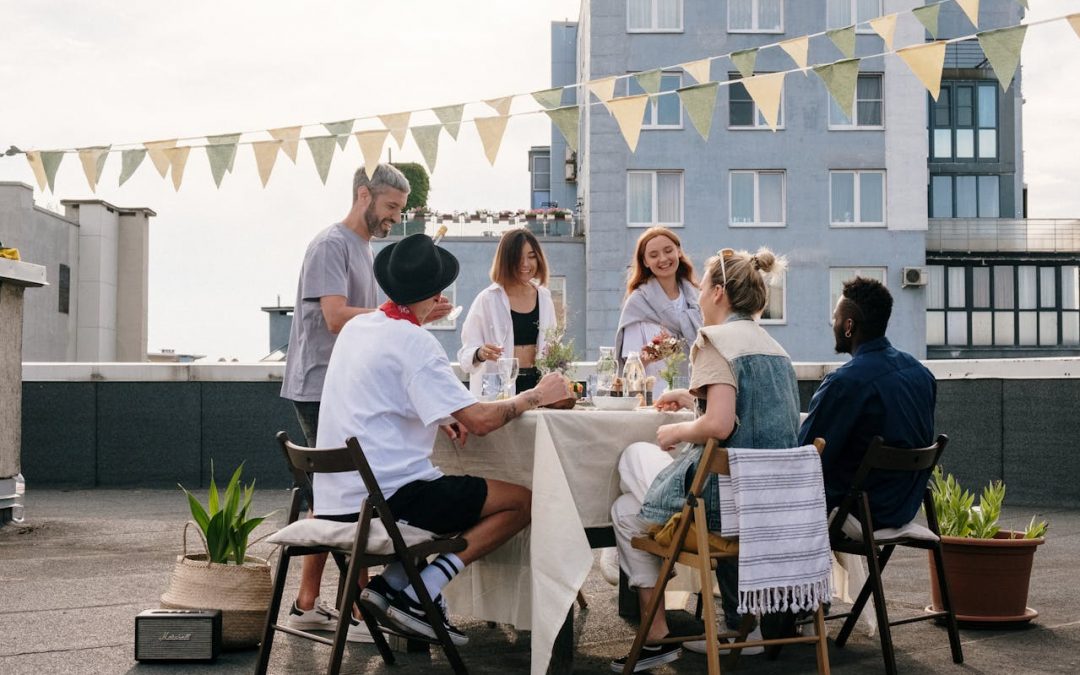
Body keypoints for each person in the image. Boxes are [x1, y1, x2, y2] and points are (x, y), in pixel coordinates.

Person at [315, 233, 571, 645]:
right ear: (436, 295)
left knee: (454, 490)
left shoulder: (358, 328)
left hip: (336, 503)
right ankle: (420, 589)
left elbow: (382, 394)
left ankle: (394, 585)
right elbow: (482, 421)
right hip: (389, 502)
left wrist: (440, 415)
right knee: (524, 500)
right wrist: (535, 396)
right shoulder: (416, 343)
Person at [279, 163, 451, 642]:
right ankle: (352, 611)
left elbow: (378, 327)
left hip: (345, 383)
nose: (396, 216)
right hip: (320, 384)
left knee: (334, 497)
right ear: (363, 196)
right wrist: (398, 311)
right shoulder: (332, 245)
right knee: (346, 497)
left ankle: (310, 605)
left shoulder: (365, 247)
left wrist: (414, 312)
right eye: (392, 206)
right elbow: (337, 318)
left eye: (400, 208)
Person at [610, 247, 800, 673]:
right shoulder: (777, 350)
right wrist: (690, 401)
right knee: (629, 505)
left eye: (701, 292)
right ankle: (742, 626)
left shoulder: (715, 340)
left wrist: (675, 431)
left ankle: (656, 633)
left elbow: (718, 425)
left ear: (717, 293)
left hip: (721, 508)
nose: (696, 299)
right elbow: (748, 418)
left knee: (629, 471)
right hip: (771, 506)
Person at [799, 276, 937, 529]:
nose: (834, 323)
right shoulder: (921, 375)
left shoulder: (845, 383)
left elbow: (807, 456)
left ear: (849, 326)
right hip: (904, 506)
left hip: (861, 510)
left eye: (836, 317)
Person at [457, 228, 557, 396]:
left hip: (538, 387)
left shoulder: (544, 297)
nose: (525, 264)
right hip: (500, 389)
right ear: (506, 260)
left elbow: (553, 345)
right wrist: (480, 353)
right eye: (518, 258)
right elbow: (465, 357)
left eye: (531, 257)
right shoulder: (487, 299)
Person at [615, 227, 702, 400]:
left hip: (692, 398)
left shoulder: (696, 298)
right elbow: (630, 366)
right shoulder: (637, 303)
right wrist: (653, 353)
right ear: (645, 262)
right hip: (654, 401)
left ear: (678, 251)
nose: (663, 259)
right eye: (653, 255)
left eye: (668, 251)